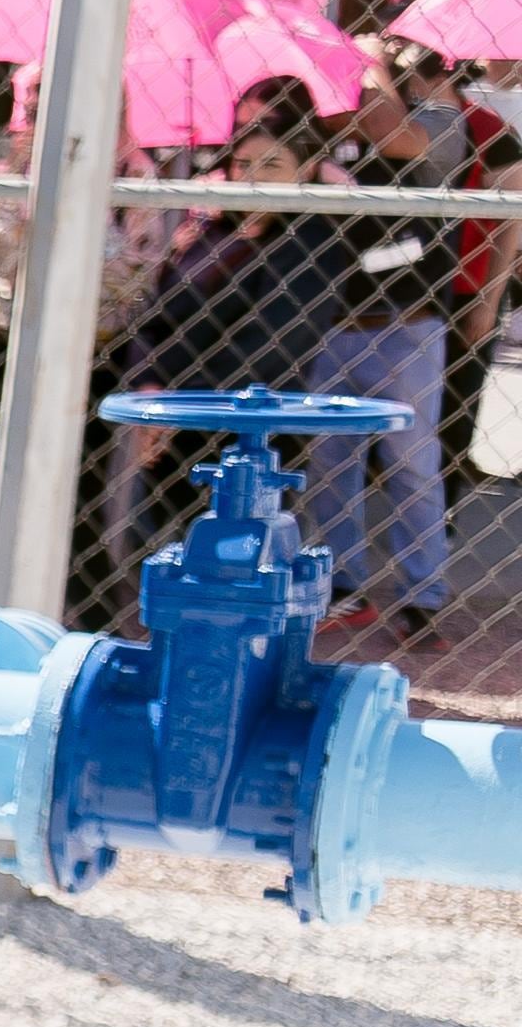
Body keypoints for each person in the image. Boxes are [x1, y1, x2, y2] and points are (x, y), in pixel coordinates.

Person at [105, 112, 355, 579]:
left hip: (247, 434)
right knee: (159, 560)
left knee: (232, 571)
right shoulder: (212, 234)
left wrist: (178, 407)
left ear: (306, 171)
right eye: (243, 165)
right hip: (173, 422)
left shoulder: (311, 242)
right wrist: (150, 386)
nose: (253, 178)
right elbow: (156, 319)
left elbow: (271, 346)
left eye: (272, 165)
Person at [307, 39, 479, 640]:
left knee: (411, 464)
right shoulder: (319, 116)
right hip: (333, 323)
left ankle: (421, 597)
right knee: (331, 466)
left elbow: (393, 135)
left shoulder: (434, 116)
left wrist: (367, 60)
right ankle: (343, 588)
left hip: (406, 325)